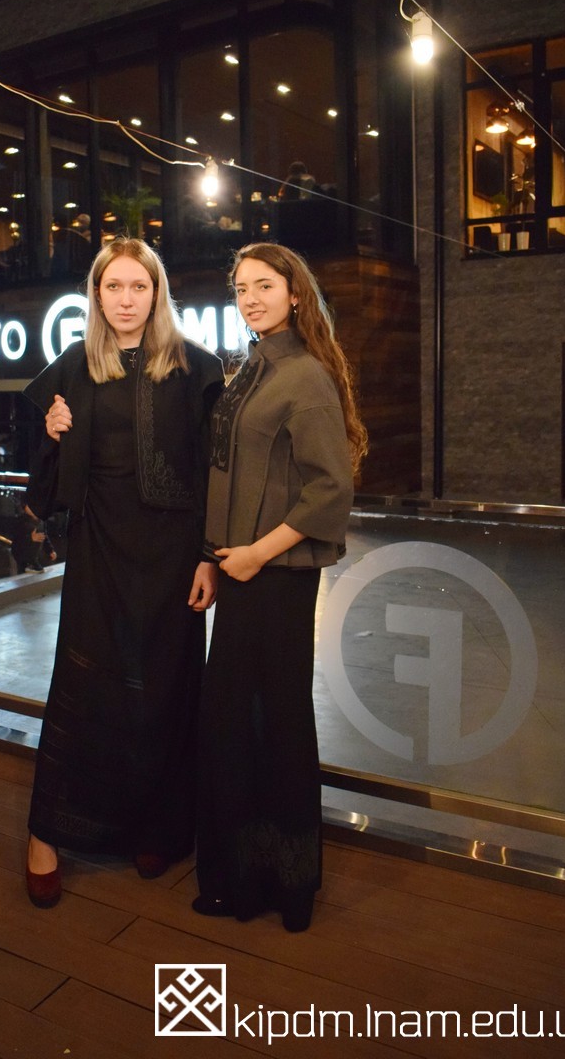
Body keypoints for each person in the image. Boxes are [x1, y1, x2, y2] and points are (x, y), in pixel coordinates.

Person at [23, 237, 224, 908]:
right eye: (114, 287)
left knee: (164, 692)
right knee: (84, 687)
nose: (127, 299)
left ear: (157, 293)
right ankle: (45, 835)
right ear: (97, 295)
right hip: (98, 551)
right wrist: (51, 432)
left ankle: (153, 826)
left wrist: (210, 555)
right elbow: (40, 462)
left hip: (173, 558)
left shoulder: (196, 367)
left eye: (139, 286)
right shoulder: (75, 365)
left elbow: (214, 472)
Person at [192, 241, 367, 933]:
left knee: (279, 725)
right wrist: (212, 560)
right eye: (241, 289)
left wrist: (255, 555)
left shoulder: (305, 376)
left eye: (264, 285)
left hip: (277, 581)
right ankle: (243, 880)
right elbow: (225, 477)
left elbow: (331, 489)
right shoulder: (252, 371)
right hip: (241, 574)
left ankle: (288, 888)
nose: (251, 299)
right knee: (236, 726)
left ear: (296, 293)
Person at [10, 501, 56, 574]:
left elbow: (44, 536)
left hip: (35, 555)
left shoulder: (41, 521)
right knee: (24, 574)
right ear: (25, 508)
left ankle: (33, 563)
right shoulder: (21, 521)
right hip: (22, 556)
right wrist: (30, 538)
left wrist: (50, 550)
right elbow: (16, 541)